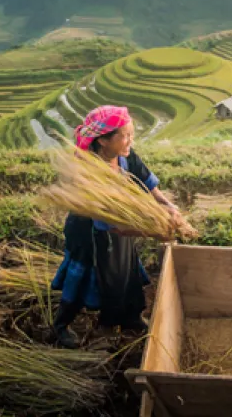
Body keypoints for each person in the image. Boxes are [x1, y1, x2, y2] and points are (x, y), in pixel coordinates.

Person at [49, 105, 182, 348]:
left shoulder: (126, 156)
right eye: (125, 135)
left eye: (132, 133)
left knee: (124, 272)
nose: (131, 140)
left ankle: (129, 318)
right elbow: (108, 224)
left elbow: (150, 186)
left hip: (122, 226)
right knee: (85, 278)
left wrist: (168, 206)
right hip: (89, 234)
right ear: (103, 140)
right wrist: (154, 229)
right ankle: (61, 325)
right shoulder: (87, 171)